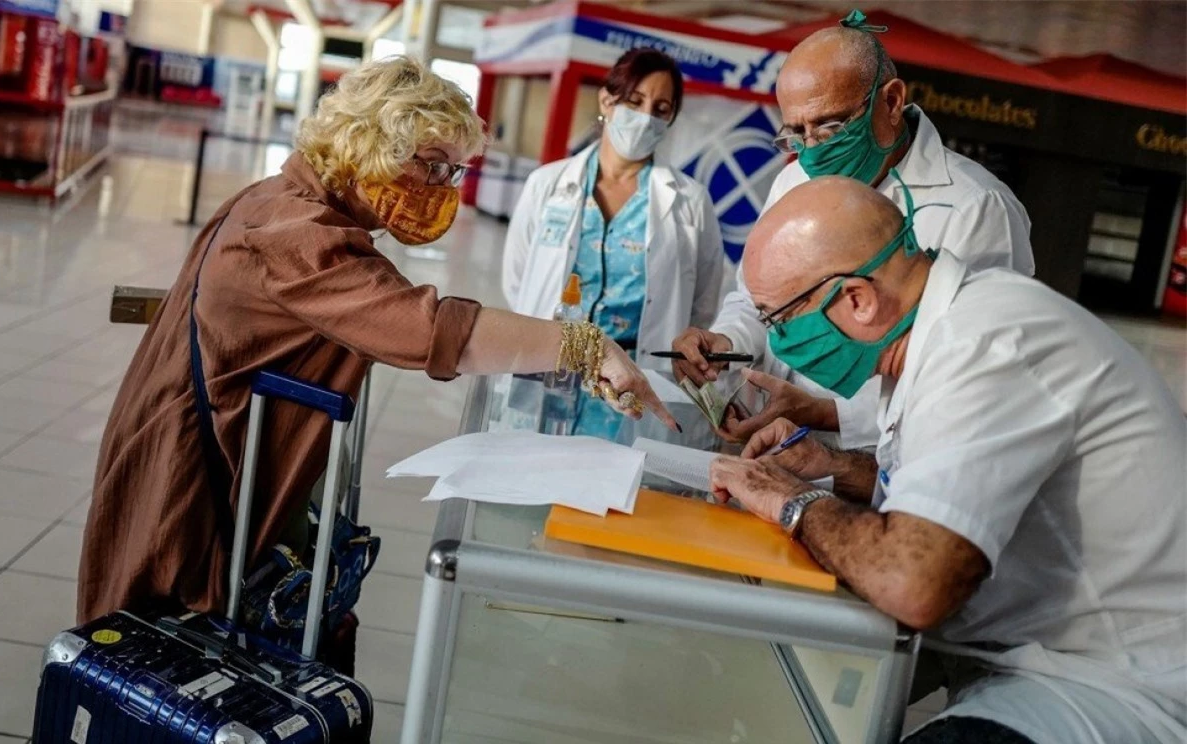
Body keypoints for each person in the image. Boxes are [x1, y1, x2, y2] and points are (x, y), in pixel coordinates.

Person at [77, 57, 676, 626]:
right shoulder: (294, 229)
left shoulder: (291, 202)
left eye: (454, 170)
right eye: (433, 163)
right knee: (167, 665)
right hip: (189, 489)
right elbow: (425, 328)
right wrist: (584, 346)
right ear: (372, 144)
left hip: (217, 461)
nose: (443, 186)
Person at [709, 175, 1186, 744]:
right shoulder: (950, 328)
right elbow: (959, 487)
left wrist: (793, 503)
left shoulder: (984, 343)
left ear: (857, 299)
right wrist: (838, 468)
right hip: (1040, 657)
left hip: (1122, 686)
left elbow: (914, 582)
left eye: (777, 320)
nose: (779, 341)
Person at [672, 11, 1033, 450]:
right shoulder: (794, 181)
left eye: (829, 127)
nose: (813, 150)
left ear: (892, 101)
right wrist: (724, 342)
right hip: (769, 444)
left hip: (877, 464)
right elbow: (755, 299)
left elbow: (977, 377)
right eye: (797, 135)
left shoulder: (976, 208)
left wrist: (825, 413)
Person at [503, 47, 725, 438]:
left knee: (615, 492)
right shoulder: (548, 184)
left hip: (634, 383)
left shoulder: (690, 200)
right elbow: (518, 280)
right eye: (635, 101)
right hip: (550, 368)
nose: (645, 118)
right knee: (534, 482)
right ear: (607, 99)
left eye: (660, 109)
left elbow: (702, 304)